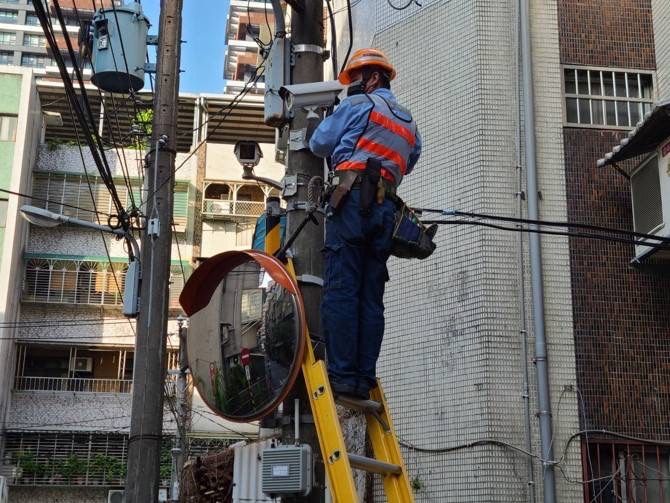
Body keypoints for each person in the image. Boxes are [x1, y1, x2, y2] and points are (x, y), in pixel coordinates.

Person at [309, 48, 422, 399]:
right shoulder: (408, 122)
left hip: (352, 201)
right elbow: (411, 159)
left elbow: (318, 143)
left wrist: (330, 121)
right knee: (371, 296)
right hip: (385, 209)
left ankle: (342, 377)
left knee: (342, 287)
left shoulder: (359, 105)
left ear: (373, 78)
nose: (351, 88)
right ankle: (362, 377)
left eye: (356, 80)